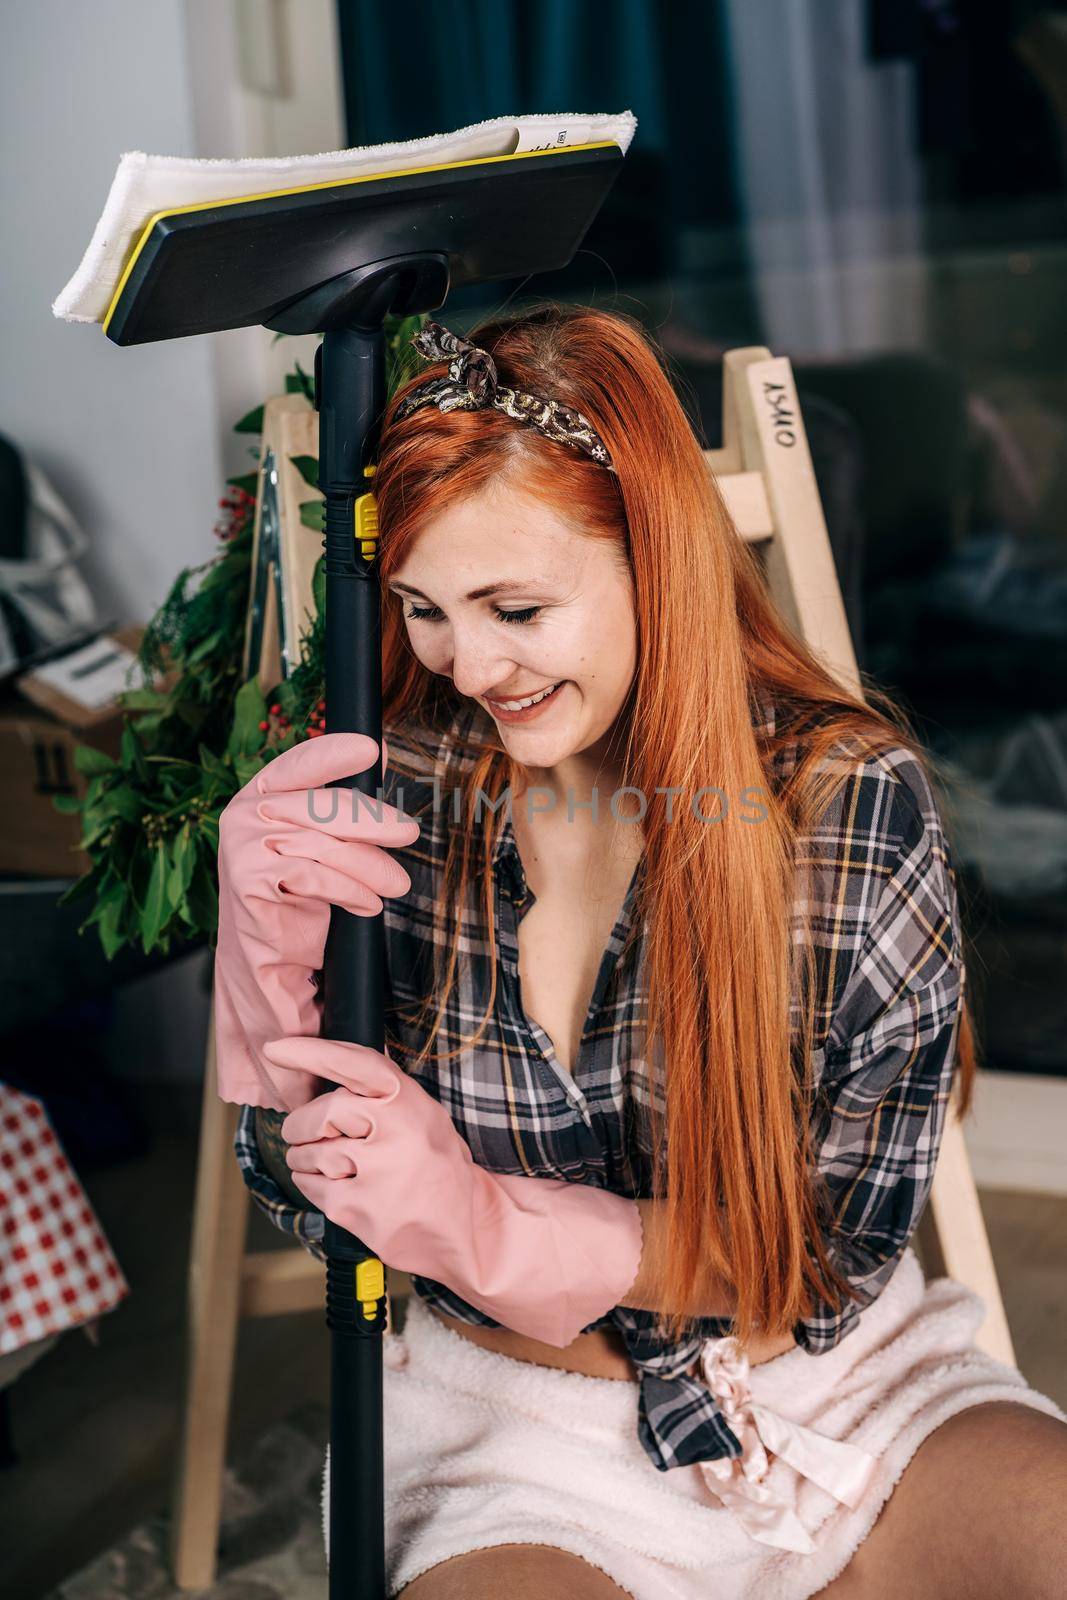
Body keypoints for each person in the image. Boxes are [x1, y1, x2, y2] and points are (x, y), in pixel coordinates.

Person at [213, 307, 1067, 1600]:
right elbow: (296, 1192)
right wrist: (265, 982)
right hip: (517, 1436)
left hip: (832, 1394)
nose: (468, 666)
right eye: (424, 609)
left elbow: (831, 1263)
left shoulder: (843, 808)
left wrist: (505, 1227)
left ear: (655, 558)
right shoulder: (407, 786)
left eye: (516, 607)